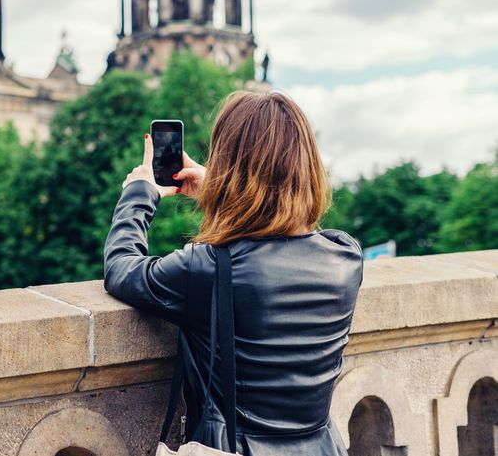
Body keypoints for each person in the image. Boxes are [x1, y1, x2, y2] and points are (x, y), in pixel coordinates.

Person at [104, 90, 363, 455]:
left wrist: (139, 193)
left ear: (230, 166)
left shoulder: (209, 267)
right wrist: (222, 191)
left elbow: (121, 269)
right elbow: (289, 230)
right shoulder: (345, 257)